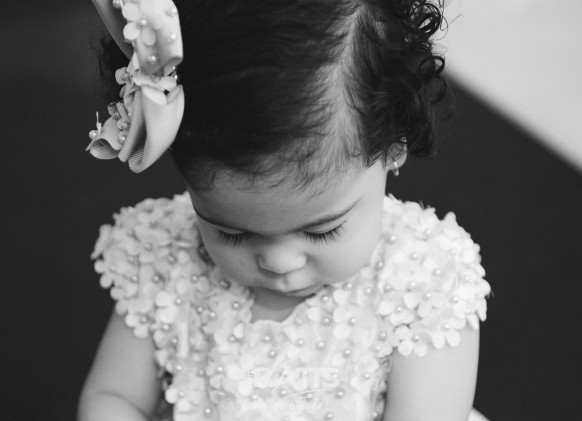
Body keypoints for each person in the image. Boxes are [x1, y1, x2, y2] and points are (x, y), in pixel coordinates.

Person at [78, 0, 491, 420]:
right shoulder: (165, 257)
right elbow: (114, 396)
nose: (278, 262)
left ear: (392, 146)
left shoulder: (424, 281)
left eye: (321, 231)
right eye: (231, 232)